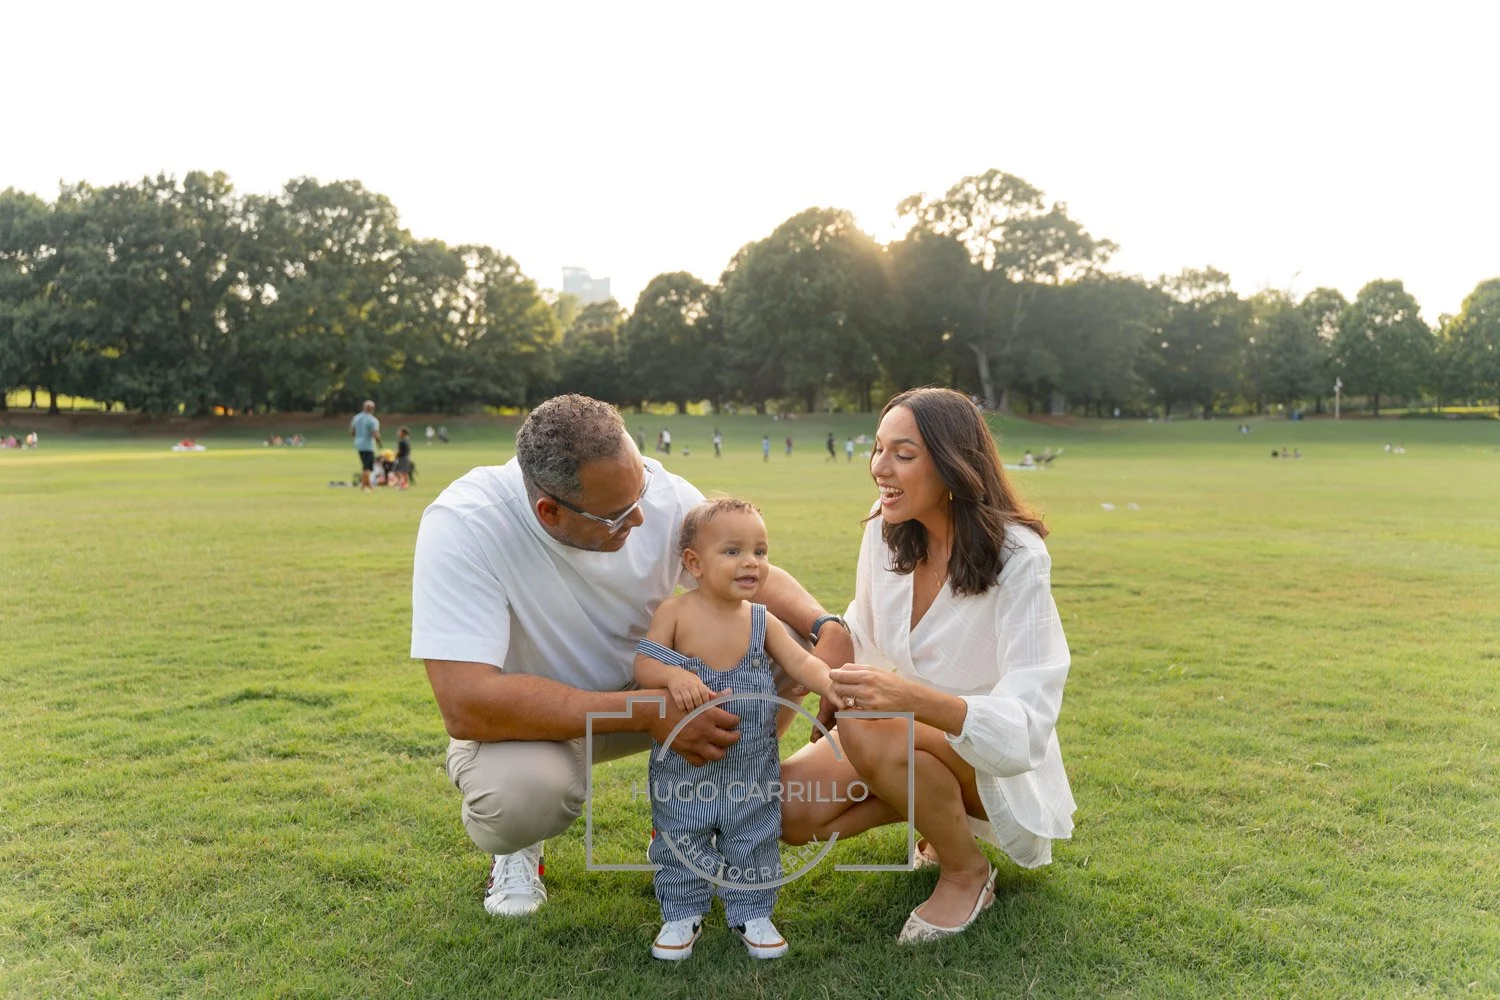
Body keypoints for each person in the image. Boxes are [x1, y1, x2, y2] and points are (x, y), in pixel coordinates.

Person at [410, 394, 852, 920]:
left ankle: (688, 815)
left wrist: (824, 626)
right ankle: (516, 851)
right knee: (521, 797)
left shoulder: (656, 495)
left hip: (663, 692)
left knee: (787, 650)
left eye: (640, 487)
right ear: (548, 511)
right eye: (619, 514)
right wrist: (646, 710)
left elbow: (736, 565)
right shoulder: (467, 523)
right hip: (533, 720)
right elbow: (466, 702)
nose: (643, 516)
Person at [780, 387, 1075, 944]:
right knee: (791, 812)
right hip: (894, 734)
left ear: (953, 463)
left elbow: (1027, 729)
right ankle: (932, 812)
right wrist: (824, 654)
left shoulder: (1018, 557)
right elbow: (865, 632)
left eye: (903, 454)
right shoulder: (882, 527)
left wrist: (909, 702)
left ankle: (966, 871)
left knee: (869, 724)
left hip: (987, 760)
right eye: (876, 449)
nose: (879, 468)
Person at [634, 498, 838, 961]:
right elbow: (645, 664)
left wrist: (833, 685)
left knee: (753, 837)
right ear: (694, 564)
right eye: (733, 551)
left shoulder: (760, 621)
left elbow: (802, 663)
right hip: (685, 768)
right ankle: (682, 911)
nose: (751, 561)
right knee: (680, 835)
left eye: (761, 552)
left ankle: (752, 911)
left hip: (751, 767)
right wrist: (674, 676)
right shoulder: (676, 613)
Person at [350, 400, 382, 493]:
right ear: (372, 408)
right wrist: (379, 442)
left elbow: (352, 431)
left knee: (364, 464)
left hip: (358, 444)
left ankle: (368, 484)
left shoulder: (356, 418)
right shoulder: (372, 420)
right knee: (367, 467)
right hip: (368, 445)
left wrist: (358, 437)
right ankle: (364, 485)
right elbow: (375, 433)